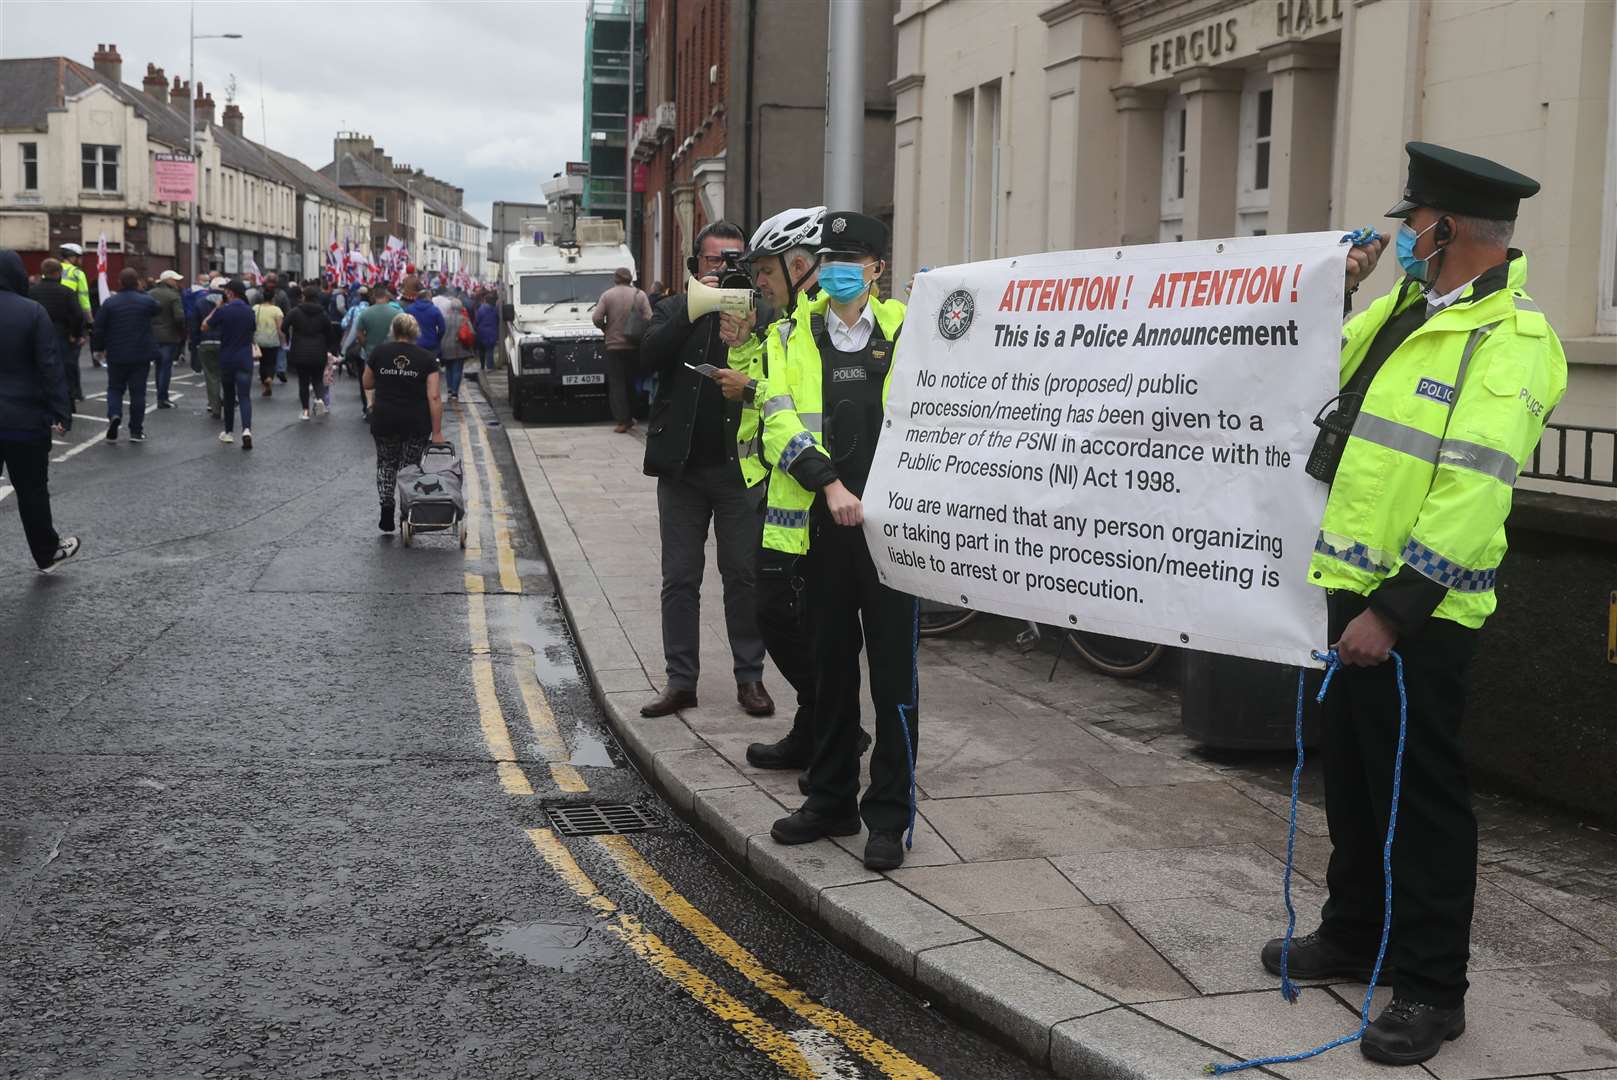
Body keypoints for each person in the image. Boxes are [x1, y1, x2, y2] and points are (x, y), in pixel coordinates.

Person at [1258, 142, 1566, 1067]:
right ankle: (1353, 933)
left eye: (1411, 222)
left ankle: (1432, 988)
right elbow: (1314, 374)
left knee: (1419, 799)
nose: (1399, 235)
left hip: (1417, 616)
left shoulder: (1508, 341)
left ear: (1446, 229)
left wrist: (1390, 612)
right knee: (1350, 777)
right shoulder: (1405, 310)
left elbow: (1473, 494)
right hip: (1350, 587)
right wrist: (1338, 289)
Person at [762, 212, 915, 873]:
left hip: (894, 536)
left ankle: (888, 816)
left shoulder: (912, 330)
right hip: (824, 529)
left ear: (877, 268)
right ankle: (830, 801)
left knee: (893, 683)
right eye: (828, 259)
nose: (836, 269)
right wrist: (827, 484)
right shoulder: (790, 332)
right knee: (829, 675)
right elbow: (775, 419)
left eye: (851, 257)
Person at [636, 222, 774, 722]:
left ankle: (750, 678)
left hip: (740, 468)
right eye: (715, 260)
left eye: (735, 259)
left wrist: (750, 317)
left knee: (743, 575)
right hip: (682, 468)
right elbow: (644, 357)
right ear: (697, 265)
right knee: (679, 578)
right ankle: (681, 682)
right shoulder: (676, 307)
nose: (725, 268)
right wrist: (697, 309)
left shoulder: (764, 310)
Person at [715, 207, 834, 776]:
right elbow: (763, 391)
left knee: (801, 620)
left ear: (800, 264)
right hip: (785, 496)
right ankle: (818, 725)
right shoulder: (786, 326)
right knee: (780, 615)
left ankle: (829, 728)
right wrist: (739, 349)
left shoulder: (821, 325)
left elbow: (794, 402)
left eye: (765, 270)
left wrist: (752, 384)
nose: (757, 282)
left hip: (821, 500)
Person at [0, 250, 78, 572]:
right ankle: (46, 553)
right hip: (24, 420)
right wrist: (61, 410)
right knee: (32, 490)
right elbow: (50, 366)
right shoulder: (32, 311)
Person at [363, 312, 445, 533]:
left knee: (386, 464)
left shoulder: (379, 353)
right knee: (409, 467)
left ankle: (386, 508)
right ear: (415, 332)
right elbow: (434, 397)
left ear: (394, 330)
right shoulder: (427, 359)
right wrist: (437, 432)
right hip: (415, 422)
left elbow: (367, 382)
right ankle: (407, 512)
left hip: (385, 418)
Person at [91, 267, 160, 444]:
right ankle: (136, 431)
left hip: (116, 353)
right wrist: (141, 291)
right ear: (137, 282)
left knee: (115, 388)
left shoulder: (110, 303)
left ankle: (114, 415)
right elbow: (157, 309)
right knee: (138, 393)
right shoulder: (146, 301)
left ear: (119, 283)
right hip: (140, 354)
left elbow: (98, 328)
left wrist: (98, 349)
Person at [592, 267, 652, 434]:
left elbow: (596, 317)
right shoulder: (639, 295)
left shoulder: (607, 295)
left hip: (614, 346)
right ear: (630, 278)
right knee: (632, 382)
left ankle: (622, 421)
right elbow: (649, 318)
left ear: (616, 279)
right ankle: (632, 416)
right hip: (634, 346)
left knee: (617, 384)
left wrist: (605, 328)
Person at [203, 279, 257, 449]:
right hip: (244, 358)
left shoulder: (224, 311)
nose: (225, 294)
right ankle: (246, 430)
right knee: (244, 396)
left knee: (228, 395)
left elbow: (204, 326)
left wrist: (216, 309)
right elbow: (252, 330)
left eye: (226, 291)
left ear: (231, 293)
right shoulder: (249, 311)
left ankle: (228, 433)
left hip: (227, 358)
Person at [29, 259, 87, 413]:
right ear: (58, 272)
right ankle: (67, 405)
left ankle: (42, 404)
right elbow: (77, 314)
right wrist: (75, 334)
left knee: (40, 369)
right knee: (64, 371)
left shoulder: (32, 291)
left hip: (38, 335)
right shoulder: (67, 292)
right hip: (61, 334)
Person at [285, 285, 333, 420]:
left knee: (303, 382)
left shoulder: (295, 312)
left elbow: (284, 326)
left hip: (300, 350)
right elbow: (329, 332)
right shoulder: (323, 313)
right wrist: (327, 347)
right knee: (318, 380)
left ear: (303, 296)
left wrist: (289, 339)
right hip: (319, 350)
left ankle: (305, 411)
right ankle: (320, 400)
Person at [355, 282, 402, 420]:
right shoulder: (398, 313)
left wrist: (366, 345)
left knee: (368, 382)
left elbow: (359, 334)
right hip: (392, 353)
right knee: (389, 382)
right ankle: (388, 409)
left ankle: (368, 409)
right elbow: (403, 333)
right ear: (387, 297)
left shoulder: (365, 313)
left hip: (370, 353)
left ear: (374, 297)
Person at [148, 270, 186, 409]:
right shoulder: (174, 296)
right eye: (175, 280)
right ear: (168, 280)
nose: (177, 283)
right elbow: (179, 317)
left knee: (158, 367)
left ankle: (161, 395)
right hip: (169, 336)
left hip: (152, 335)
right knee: (165, 367)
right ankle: (162, 398)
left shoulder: (150, 294)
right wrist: (181, 332)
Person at [192, 277, 227, 419]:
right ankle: (230, 400)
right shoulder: (229, 303)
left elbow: (194, 324)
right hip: (225, 342)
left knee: (211, 376)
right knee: (227, 374)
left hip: (205, 342)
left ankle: (215, 407)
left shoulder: (200, 302)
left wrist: (195, 342)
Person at [57, 244, 93, 366]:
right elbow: (84, 301)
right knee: (71, 361)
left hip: (55, 320)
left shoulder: (53, 269)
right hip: (74, 320)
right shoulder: (78, 273)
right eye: (79, 257)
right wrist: (90, 322)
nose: (81, 260)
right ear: (72, 257)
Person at [438, 291, 473, 402]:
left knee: (448, 369)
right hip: (459, 348)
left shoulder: (444, 318)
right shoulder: (464, 319)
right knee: (457, 370)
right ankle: (454, 392)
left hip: (445, 347)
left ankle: (448, 390)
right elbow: (471, 332)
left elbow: (440, 332)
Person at [401, 276, 445, 356]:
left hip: (413, 344)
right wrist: (437, 338)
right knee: (430, 367)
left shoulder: (408, 309)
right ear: (428, 298)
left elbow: (403, 326)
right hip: (431, 345)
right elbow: (442, 328)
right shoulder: (435, 310)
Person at [252, 289, 284, 397]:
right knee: (271, 362)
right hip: (272, 340)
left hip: (258, 340)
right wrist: (283, 340)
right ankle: (270, 378)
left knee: (262, 364)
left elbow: (251, 324)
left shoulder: (256, 308)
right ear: (273, 298)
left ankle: (265, 386)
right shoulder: (277, 310)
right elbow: (280, 328)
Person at [474, 290, 499, 371]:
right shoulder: (495, 310)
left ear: (485, 300)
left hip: (482, 333)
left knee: (482, 350)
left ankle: (482, 366)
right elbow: (497, 320)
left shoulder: (481, 309)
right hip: (492, 332)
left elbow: (477, 321)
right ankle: (490, 366)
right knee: (490, 350)